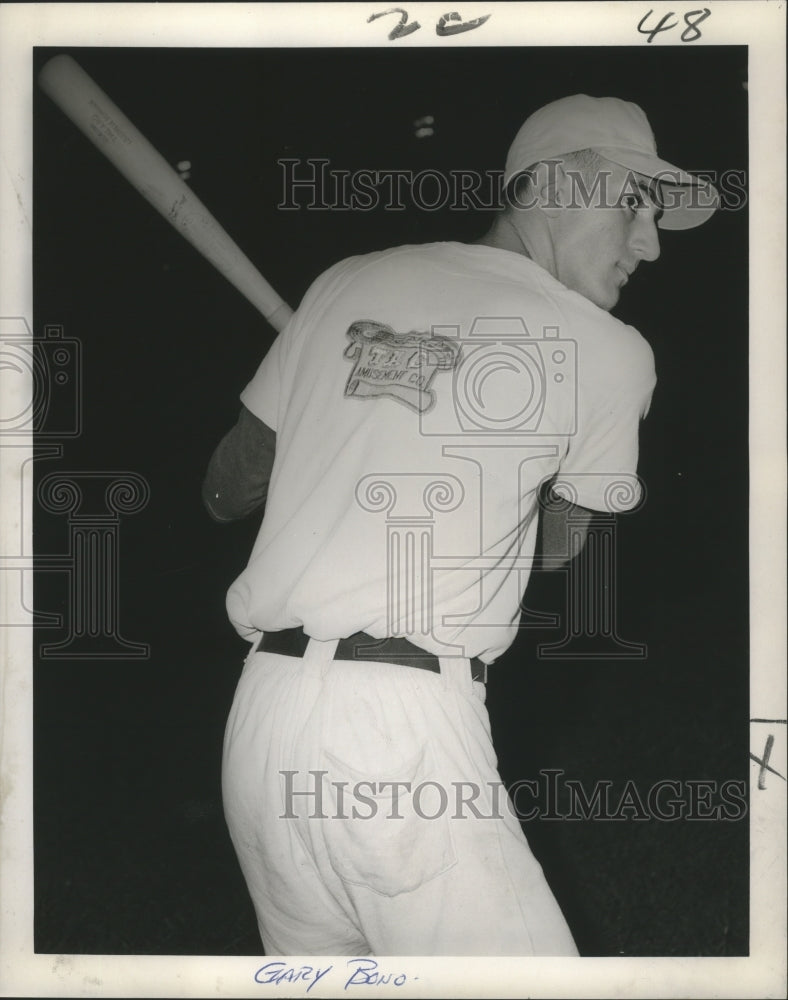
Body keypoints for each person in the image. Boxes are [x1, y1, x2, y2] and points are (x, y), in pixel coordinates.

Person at [203, 94, 718, 956]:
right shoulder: (610, 348)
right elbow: (557, 547)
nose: (650, 242)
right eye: (635, 202)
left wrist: (329, 395)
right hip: (404, 739)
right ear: (552, 185)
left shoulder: (344, 285)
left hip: (261, 729)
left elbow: (223, 490)